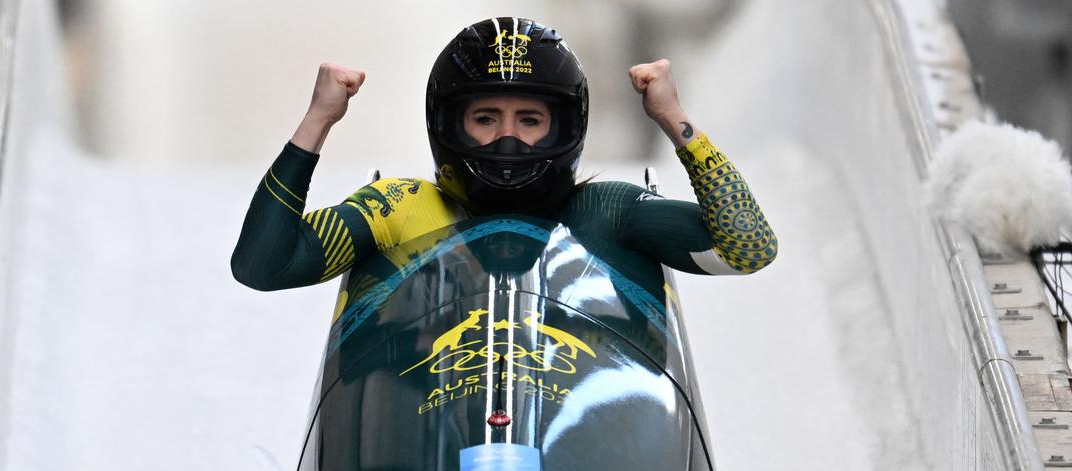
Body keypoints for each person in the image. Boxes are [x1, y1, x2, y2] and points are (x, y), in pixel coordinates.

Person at [231, 17, 776, 291]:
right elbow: (263, 266)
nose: (508, 141)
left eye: (531, 121)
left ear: (566, 127)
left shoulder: (609, 211)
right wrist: (317, 121)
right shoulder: (399, 208)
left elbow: (748, 250)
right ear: (451, 126)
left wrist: (676, 122)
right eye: (486, 119)